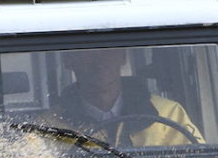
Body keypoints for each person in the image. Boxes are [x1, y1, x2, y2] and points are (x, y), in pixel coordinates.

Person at [51, 49, 204, 147]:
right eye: (87, 51)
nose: (99, 61)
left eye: (107, 50)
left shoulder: (169, 114)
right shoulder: (50, 126)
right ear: (69, 61)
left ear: (122, 57)